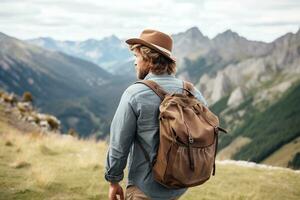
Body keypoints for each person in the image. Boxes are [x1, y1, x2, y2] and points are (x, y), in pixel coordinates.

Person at [104, 29, 208, 200]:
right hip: (178, 187)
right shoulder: (192, 92)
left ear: (148, 58)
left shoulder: (135, 94)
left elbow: (118, 145)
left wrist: (113, 181)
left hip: (144, 190)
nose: (135, 63)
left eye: (136, 57)